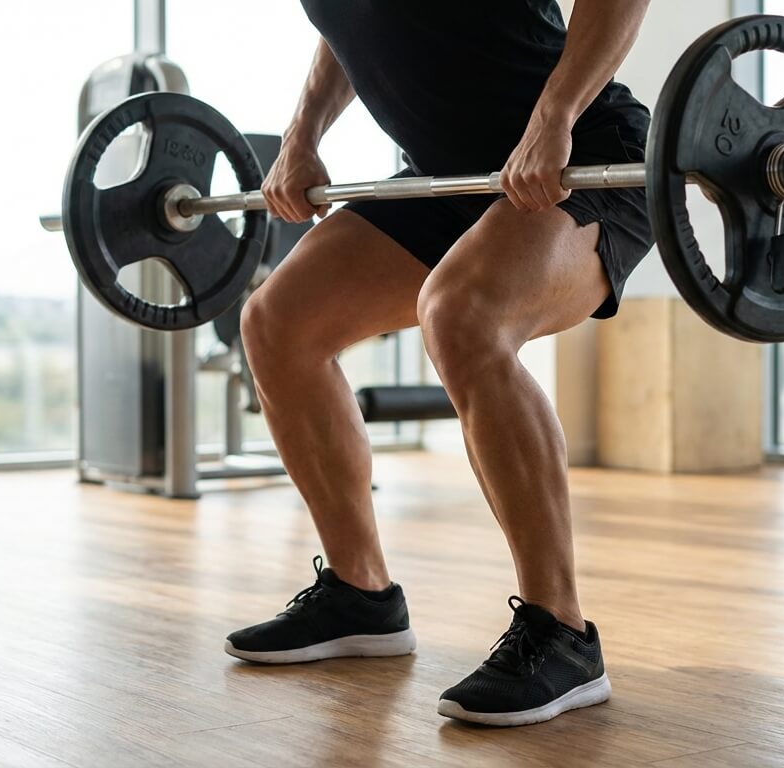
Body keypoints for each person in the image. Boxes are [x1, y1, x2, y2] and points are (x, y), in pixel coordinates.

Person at [225, 0, 653, 727]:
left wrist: (554, 118)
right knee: (278, 322)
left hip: (580, 155)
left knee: (465, 316)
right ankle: (360, 598)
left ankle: (563, 634)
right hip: (449, 177)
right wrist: (302, 136)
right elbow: (349, 27)